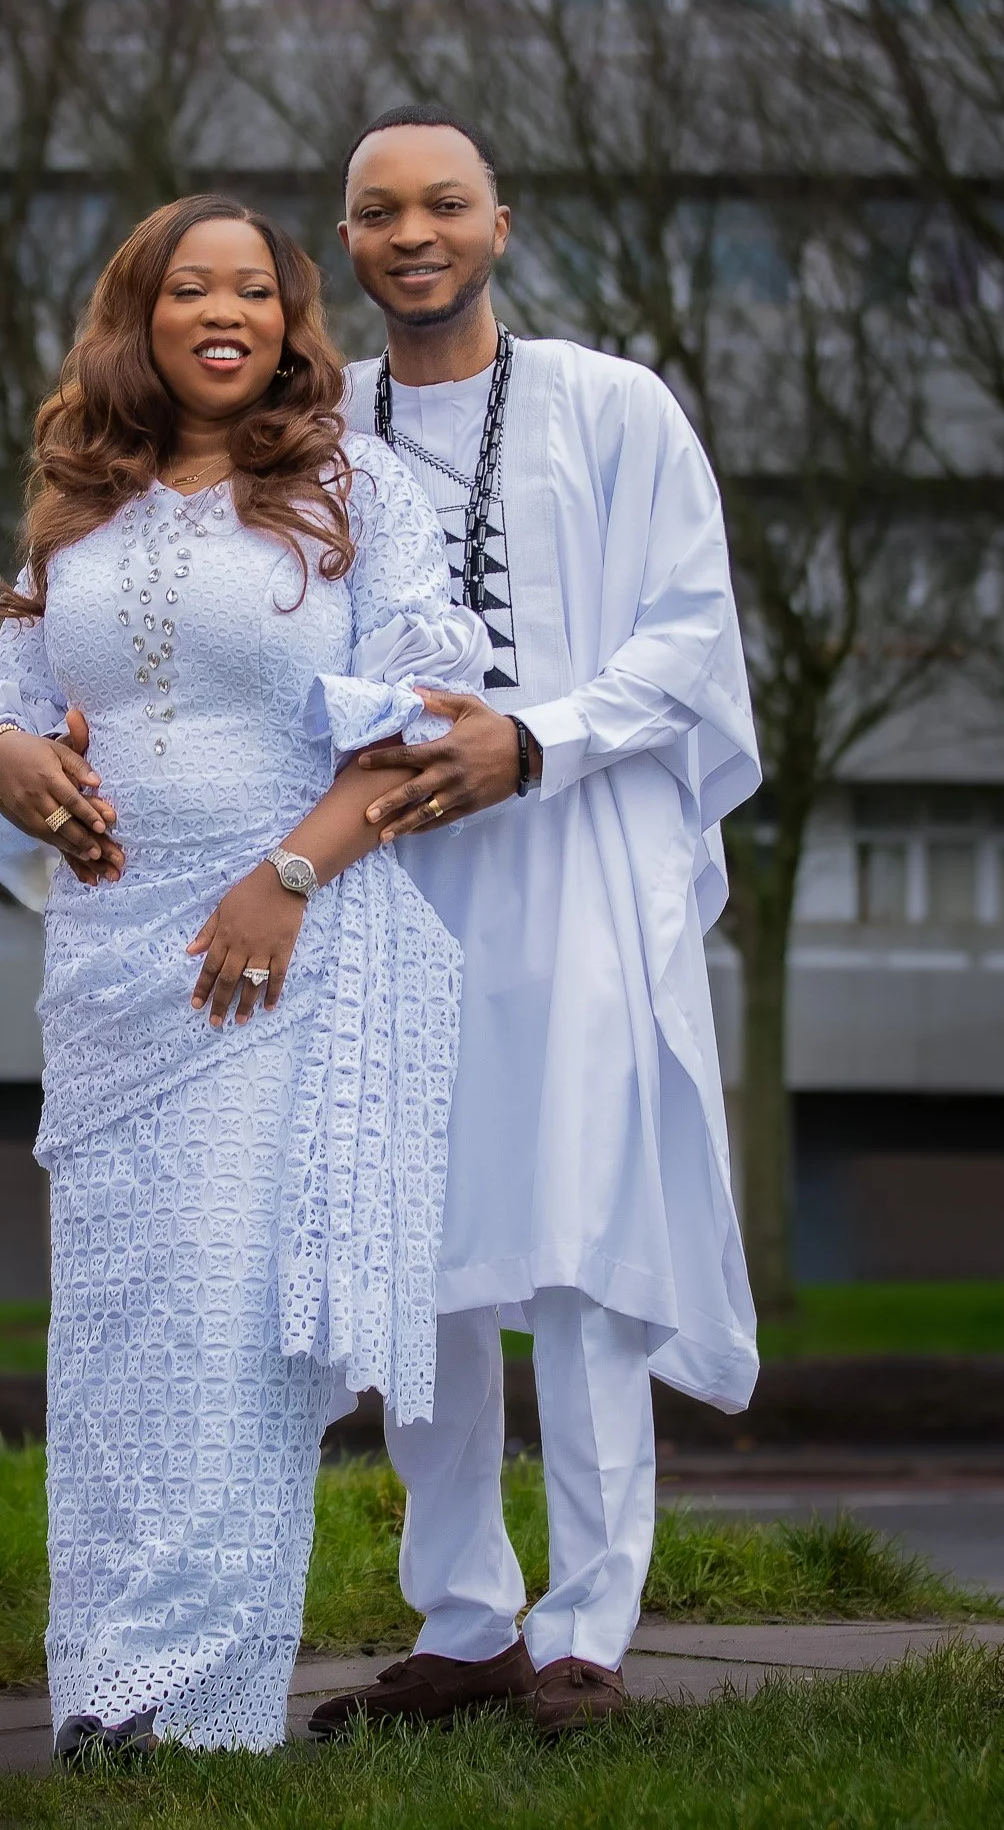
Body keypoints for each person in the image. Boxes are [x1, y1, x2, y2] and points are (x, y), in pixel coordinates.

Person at [0, 195, 490, 1757]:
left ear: (293, 323)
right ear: (139, 316)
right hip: (106, 971)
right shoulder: (80, 498)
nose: (222, 312)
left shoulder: (358, 493)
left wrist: (284, 882)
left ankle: (195, 1699)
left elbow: (416, 729)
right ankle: (101, 1682)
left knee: (232, 1319)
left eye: (255, 292)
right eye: (187, 289)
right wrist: (8, 753)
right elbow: (1, 706)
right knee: (117, 1331)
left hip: (278, 957)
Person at [306, 107, 762, 1741]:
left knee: (571, 1239)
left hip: (567, 869)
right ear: (346, 242)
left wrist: (532, 740)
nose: (411, 232)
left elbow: (689, 637)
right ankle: (464, 1618)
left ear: (502, 222)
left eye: (442, 203)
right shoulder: (316, 426)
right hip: (387, 879)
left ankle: (587, 1627)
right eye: (375, 211)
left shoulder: (611, 407)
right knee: (412, 1247)